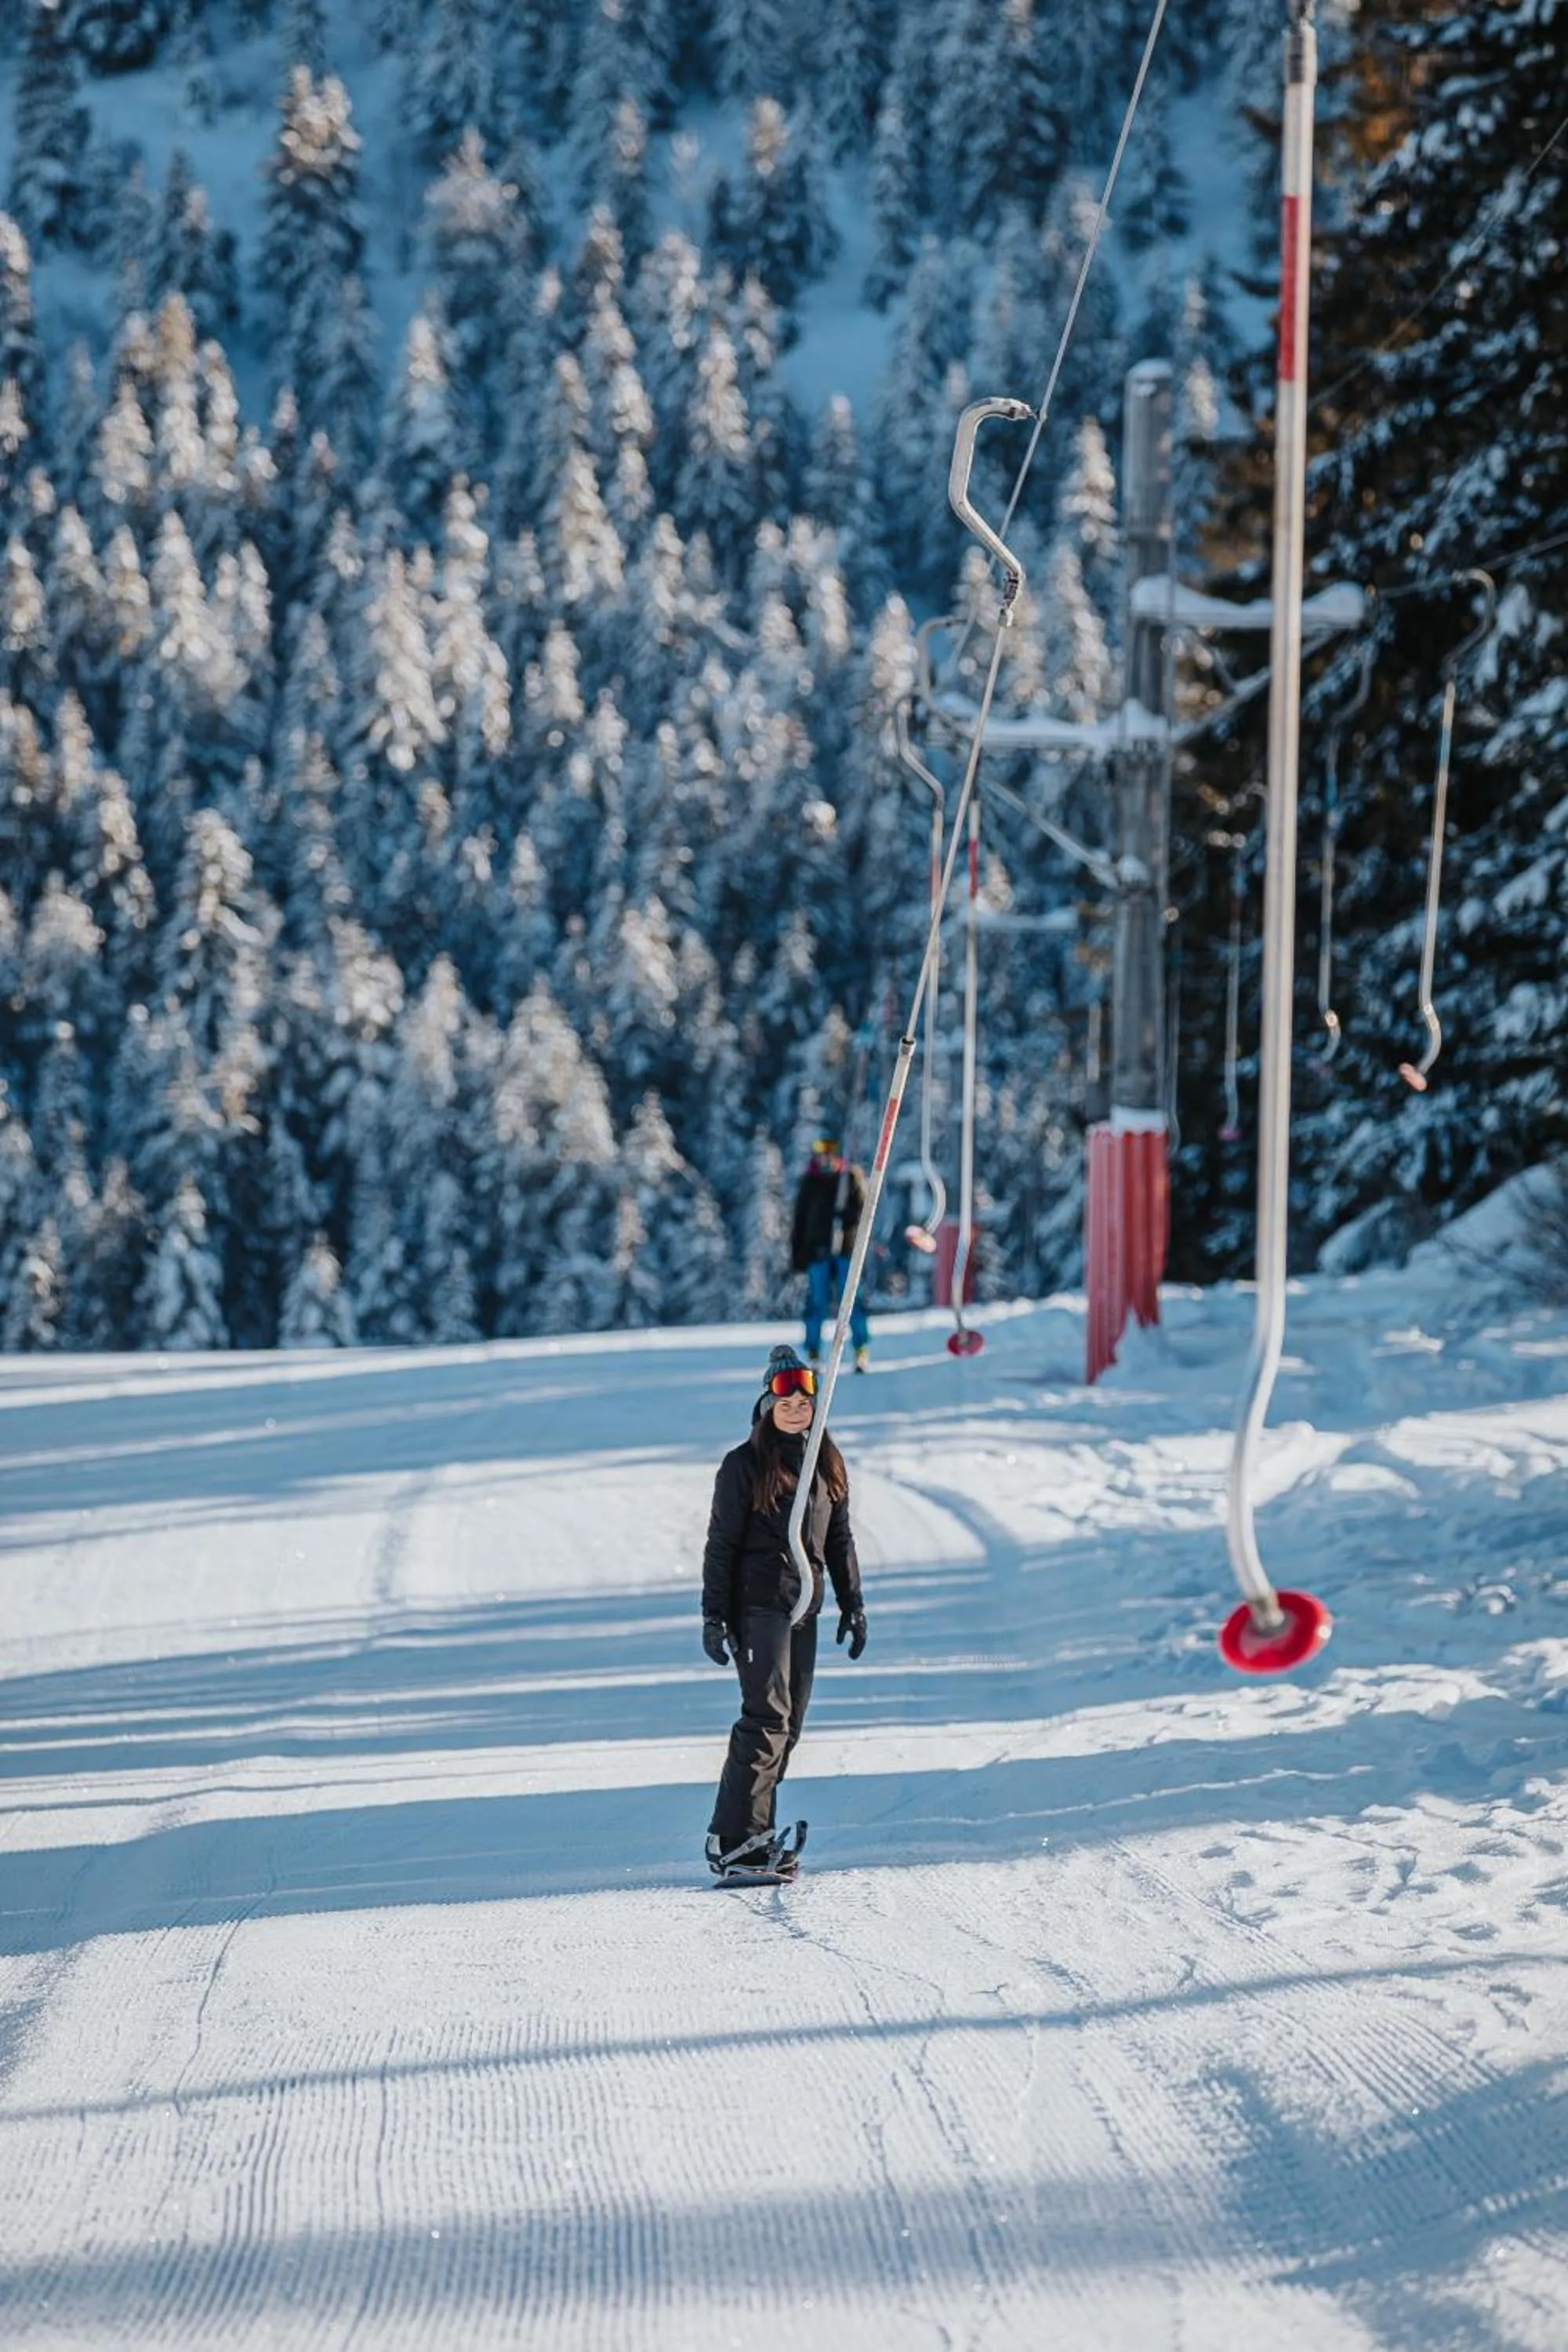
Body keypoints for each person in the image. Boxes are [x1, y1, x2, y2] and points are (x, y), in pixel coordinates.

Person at [702, 1345, 868, 1878]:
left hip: (803, 1607)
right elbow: (721, 1544)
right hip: (759, 1603)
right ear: (765, 1406)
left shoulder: (825, 1462)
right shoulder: (743, 1466)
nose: (795, 1409)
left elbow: (838, 1538)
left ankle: (757, 1835)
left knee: (788, 1725)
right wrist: (714, 1616)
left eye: (804, 1402)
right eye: (785, 1401)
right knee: (765, 1718)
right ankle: (733, 1839)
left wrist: (852, 1603)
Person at [790, 1134, 870, 1370]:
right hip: (818, 1252)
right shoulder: (810, 1182)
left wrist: (847, 1218)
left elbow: (865, 1211)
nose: (825, 1156)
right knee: (818, 1302)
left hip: (846, 1251)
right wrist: (798, 1256)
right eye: (821, 1151)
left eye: (830, 1151)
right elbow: (800, 1220)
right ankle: (813, 1351)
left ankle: (860, 1349)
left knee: (852, 1301)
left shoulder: (850, 1178)